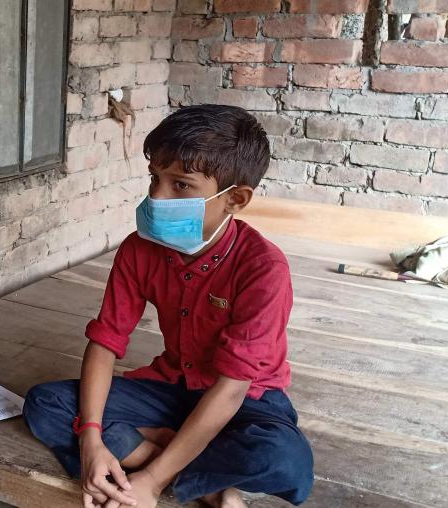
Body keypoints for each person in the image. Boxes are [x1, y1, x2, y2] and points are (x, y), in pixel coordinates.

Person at [23, 104, 314, 508]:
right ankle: (202, 481)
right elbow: (106, 342)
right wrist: (90, 437)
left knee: (282, 458)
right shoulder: (139, 250)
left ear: (236, 199)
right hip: (173, 387)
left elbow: (231, 389)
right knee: (45, 405)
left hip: (247, 399)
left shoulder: (263, 268)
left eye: (181, 185)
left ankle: (152, 458)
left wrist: (153, 484)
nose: (157, 196)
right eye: (154, 178)